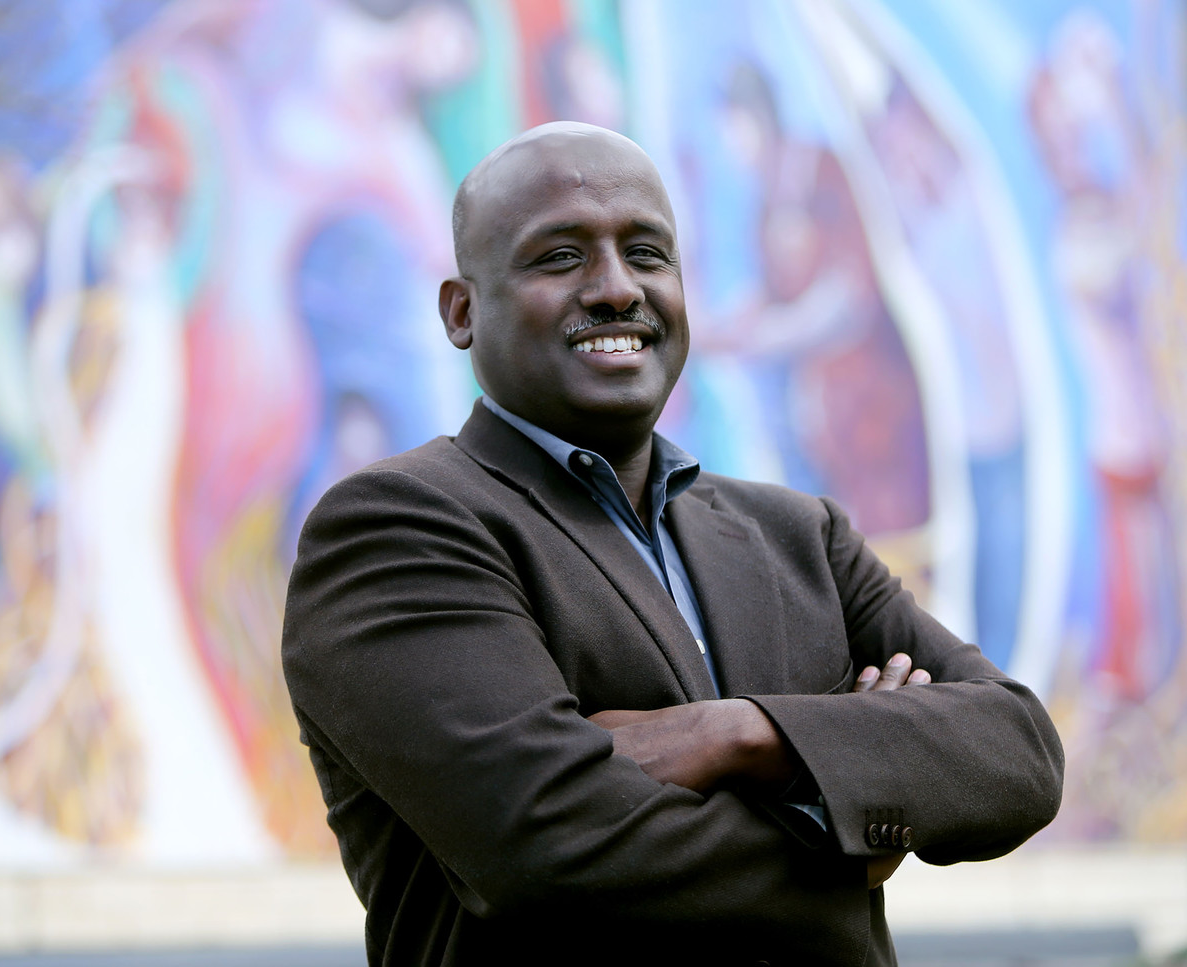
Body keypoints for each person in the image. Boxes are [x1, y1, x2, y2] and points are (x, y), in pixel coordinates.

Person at [281, 122, 1064, 966]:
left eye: (648, 253)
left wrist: (736, 734)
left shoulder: (801, 536)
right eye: (560, 256)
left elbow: (1017, 753)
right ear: (461, 311)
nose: (617, 288)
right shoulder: (397, 530)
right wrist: (848, 801)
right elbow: (553, 849)